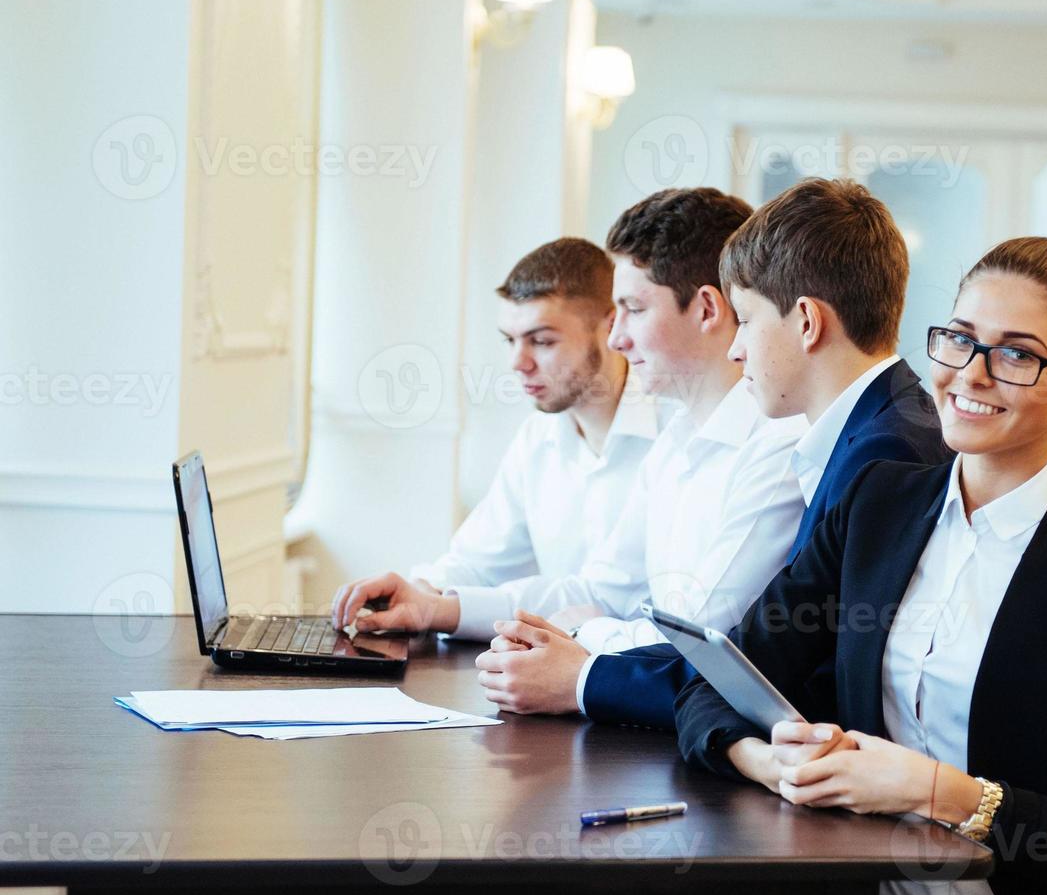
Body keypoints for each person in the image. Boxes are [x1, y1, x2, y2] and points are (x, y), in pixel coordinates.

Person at [674, 237, 1047, 895]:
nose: (971, 375)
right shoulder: (876, 504)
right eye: (960, 339)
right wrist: (769, 764)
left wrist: (937, 792)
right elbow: (710, 684)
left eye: (1017, 354)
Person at [336, 188, 809, 716]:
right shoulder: (677, 443)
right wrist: (436, 607)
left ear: (704, 309)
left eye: (631, 309)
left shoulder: (776, 443)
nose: (618, 338)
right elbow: (599, 588)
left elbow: (699, 645)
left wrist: (581, 629)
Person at [550, 178, 952, 727]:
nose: (736, 349)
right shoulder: (871, 430)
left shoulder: (884, 453)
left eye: (746, 320)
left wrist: (582, 676)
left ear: (807, 323)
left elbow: (773, 666)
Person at [329, 237, 670, 634]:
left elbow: (602, 597)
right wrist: (418, 590)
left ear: (611, 326)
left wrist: (437, 610)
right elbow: (478, 561)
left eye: (542, 341)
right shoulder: (538, 436)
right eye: (510, 340)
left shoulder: (674, 433)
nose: (517, 363)